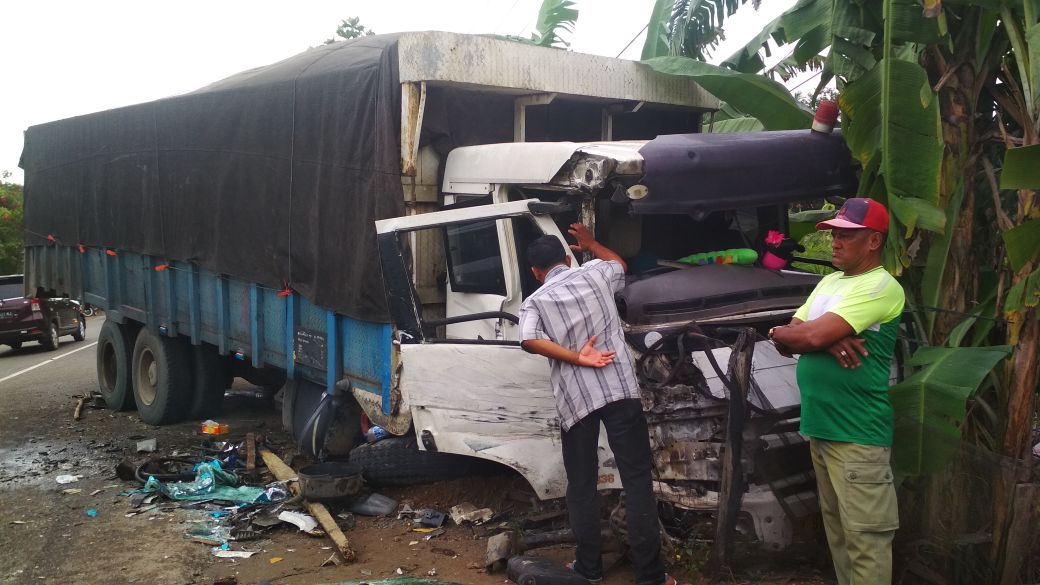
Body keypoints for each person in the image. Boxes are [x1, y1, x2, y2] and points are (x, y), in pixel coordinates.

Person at [518, 223, 676, 585]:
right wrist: (592, 243)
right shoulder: (594, 274)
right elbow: (619, 263)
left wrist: (575, 358)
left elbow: (528, 339)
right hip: (620, 391)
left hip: (576, 404)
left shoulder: (535, 301)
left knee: (582, 485)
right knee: (636, 482)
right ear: (568, 258)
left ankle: (589, 569)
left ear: (535, 272)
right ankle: (651, 577)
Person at [769, 198, 905, 585]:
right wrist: (811, 338)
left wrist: (810, 336)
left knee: (866, 542)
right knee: (840, 538)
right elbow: (791, 332)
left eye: (847, 235)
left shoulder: (880, 286)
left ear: (874, 242)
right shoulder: (830, 282)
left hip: (857, 434)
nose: (835, 242)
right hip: (822, 429)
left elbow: (805, 333)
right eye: (834, 233)